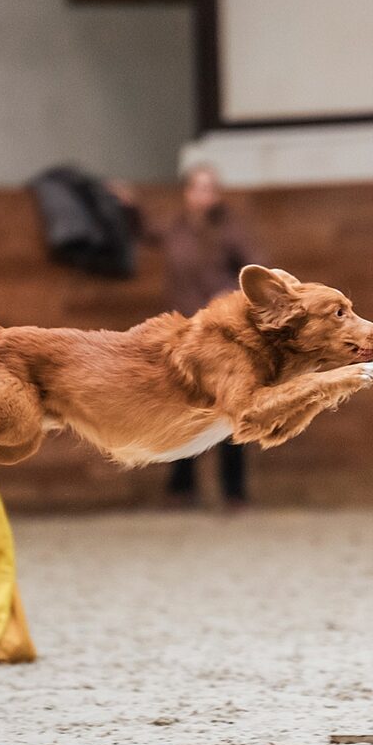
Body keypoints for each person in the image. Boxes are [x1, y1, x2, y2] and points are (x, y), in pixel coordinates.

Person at [127, 163, 262, 507]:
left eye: (210, 188)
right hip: (184, 333)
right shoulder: (174, 226)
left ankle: (234, 492)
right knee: (185, 408)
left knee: (230, 409)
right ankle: (182, 487)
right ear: (188, 192)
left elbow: (257, 270)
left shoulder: (231, 230)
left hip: (223, 336)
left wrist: (229, 293)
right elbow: (144, 230)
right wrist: (128, 205)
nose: (204, 195)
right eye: (199, 188)